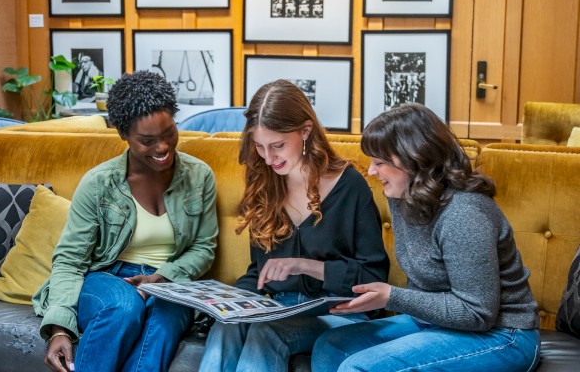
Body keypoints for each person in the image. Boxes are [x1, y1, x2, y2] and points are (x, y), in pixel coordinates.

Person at [311, 104, 541, 372]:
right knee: (331, 345)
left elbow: (478, 313)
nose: (371, 172)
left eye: (380, 162)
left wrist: (391, 297)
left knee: (360, 367)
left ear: (413, 160)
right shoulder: (403, 196)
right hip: (436, 324)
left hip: (505, 335)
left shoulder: (464, 213)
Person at [32, 70, 219, 372]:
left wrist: (164, 276)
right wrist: (59, 329)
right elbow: (69, 260)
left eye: (169, 132)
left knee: (167, 317)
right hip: (108, 277)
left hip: (170, 282)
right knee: (124, 305)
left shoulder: (199, 176)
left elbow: (203, 248)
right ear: (123, 134)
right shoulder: (98, 183)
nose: (162, 148)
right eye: (147, 140)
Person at [198, 79, 390, 371]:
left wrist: (305, 265)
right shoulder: (265, 182)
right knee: (227, 326)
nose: (269, 158)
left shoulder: (350, 187)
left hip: (340, 312)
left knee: (266, 332)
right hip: (279, 307)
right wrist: (228, 301)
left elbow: (373, 275)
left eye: (277, 146)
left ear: (305, 131)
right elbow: (259, 271)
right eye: (260, 147)